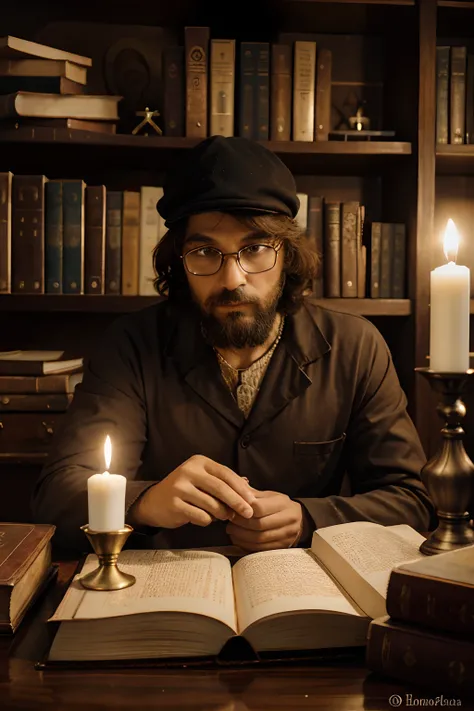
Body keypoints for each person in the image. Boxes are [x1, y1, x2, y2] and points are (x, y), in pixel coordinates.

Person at [32, 136, 434, 552]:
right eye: (205, 251)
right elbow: (56, 498)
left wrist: (309, 519)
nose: (232, 279)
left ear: (288, 254)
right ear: (178, 262)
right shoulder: (131, 345)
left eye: (255, 248)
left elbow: (414, 501)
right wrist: (143, 502)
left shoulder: (355, 345)